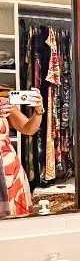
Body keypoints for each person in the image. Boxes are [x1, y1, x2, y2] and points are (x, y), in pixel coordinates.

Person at [0, 88, 44, 217]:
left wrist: (38, 111)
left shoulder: (2, 102)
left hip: (10, 173)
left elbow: (28, 128)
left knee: (14, 222)